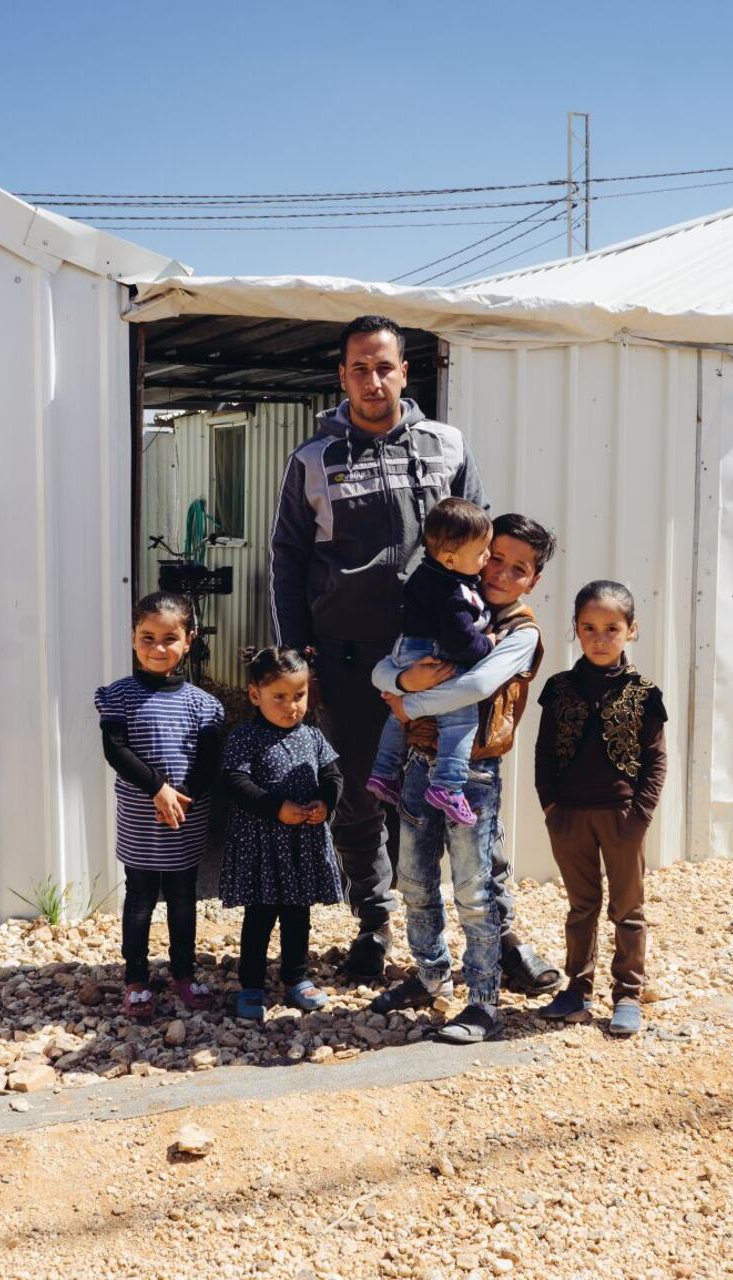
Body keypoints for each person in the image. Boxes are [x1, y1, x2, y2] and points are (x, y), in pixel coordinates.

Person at [269, 314, 485, 980]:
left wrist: (493, 641)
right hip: (350, 659)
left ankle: (469, 930)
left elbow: (479, 543)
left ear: (405, 371)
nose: (372, 380)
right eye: (359, 368)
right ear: (342, 376)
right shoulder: (312, 460)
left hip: (436, 658)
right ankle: (375, 922)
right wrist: (297, 661)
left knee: (440, 795)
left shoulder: (447, 446)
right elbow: (286, 561)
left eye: (384, 366)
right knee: (362, 796)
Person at [368, 515, 560, 1042]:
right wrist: (400, 680)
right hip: (418, 763)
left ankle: (483, 1001)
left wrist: (409, 702)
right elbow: (383, 666)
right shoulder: (446, 598)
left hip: (471, 774)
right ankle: (431, 975)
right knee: (413, 881)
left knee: (474, 891)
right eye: (494, 557)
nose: (500, 572)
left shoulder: (520, 631)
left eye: (518, 568)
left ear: (533, 580)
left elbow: (476, 684)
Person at [533, 580, 668, 1038]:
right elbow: (544, 754)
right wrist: (551, 808)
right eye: (589, 627)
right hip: (570, 815)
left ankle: (628, 992)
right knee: (581, 907)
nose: (600, 637)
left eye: (612, 628)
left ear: (632, 631)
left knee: (627, 909)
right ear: (575, 629)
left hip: (622, 816)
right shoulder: (559, 688)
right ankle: (577, 988)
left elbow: (655, 757)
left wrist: (641, 815)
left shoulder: (644, 693)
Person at [94, 592, 224, 1021]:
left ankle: (182, 973)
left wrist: (180, 796)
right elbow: (116, 751)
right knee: (140, 901)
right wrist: (158, 789)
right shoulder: (119, 697)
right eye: (147, 637)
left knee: (184, 900)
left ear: (189, 641)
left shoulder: (204, 705)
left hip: (184, 820)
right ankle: (136, 977)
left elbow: (208, 764)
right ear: (133, 639)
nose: (158, 648)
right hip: (141, 821)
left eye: (170, 638)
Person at [219, 646, 344, 1022]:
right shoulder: (245, 737)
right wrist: (275, 807)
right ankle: (252, 985)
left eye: (299, 695)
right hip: (262, 845)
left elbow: (333, 775)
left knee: (297, 916)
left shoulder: (312, 735)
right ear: (255, 694)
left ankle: (296, 979)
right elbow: (234, 781)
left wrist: (325, 803)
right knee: (259, 918)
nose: (292, 706)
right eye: (280, 697)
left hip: (302, 846)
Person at [367, 498, 494, 826]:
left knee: (399, 714)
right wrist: (488, 643)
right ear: (451, 559)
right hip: (433, 654)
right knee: (460, 719)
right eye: (482, 553)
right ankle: (448, 786)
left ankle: (383, 772)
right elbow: (461, 640)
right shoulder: (453, 592)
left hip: (406, 648)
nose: (488, 558)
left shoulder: (426, 573)